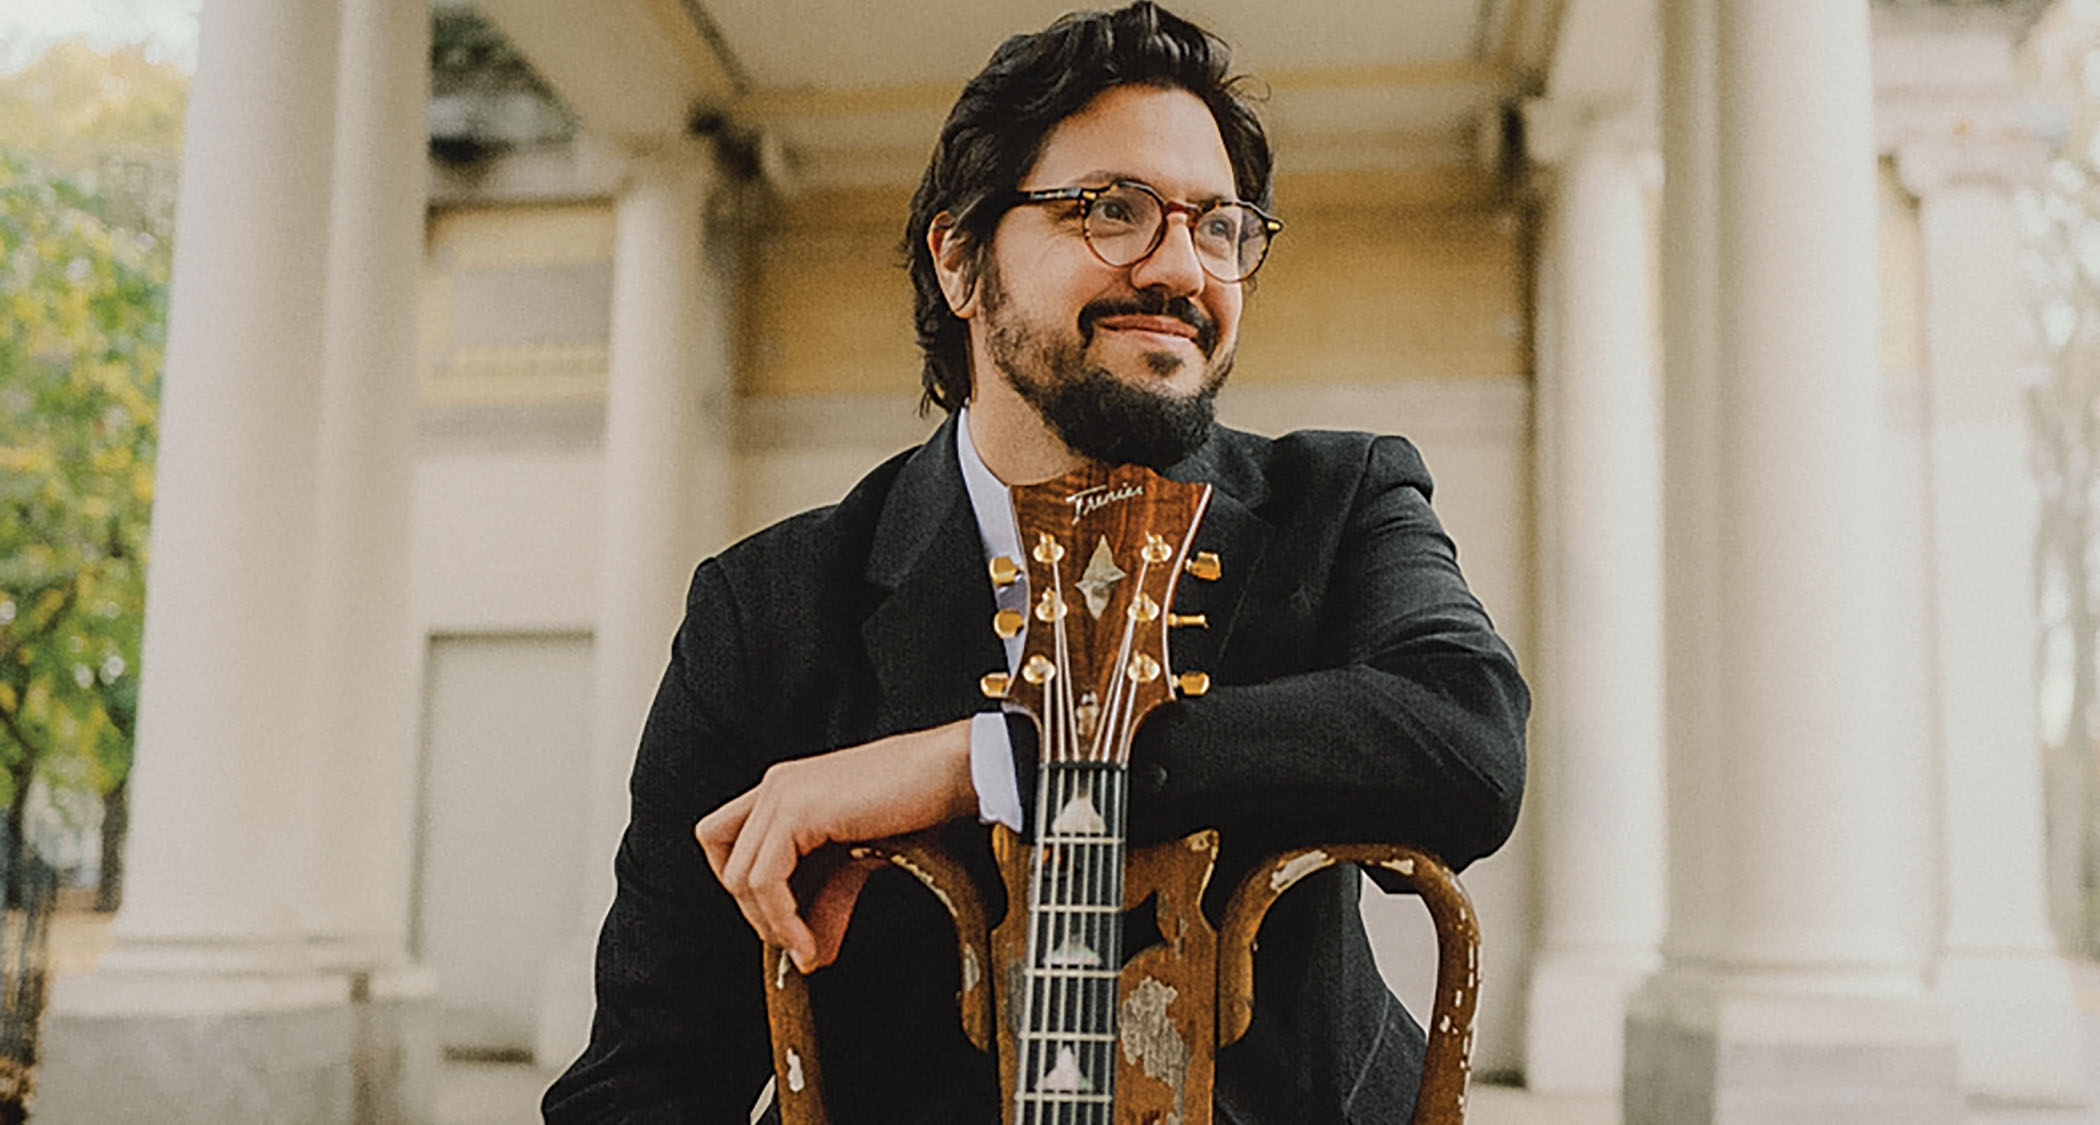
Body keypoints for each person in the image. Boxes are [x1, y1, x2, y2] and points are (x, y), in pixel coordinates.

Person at [542, 3, 1527, 1121]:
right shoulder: (765, 611)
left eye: (1218, 227)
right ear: (960, 259)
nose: (1179, 268)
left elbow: (1469, 742)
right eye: (1112, 211)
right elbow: (647, 1080)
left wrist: (988, 760)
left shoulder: (1341, 505)